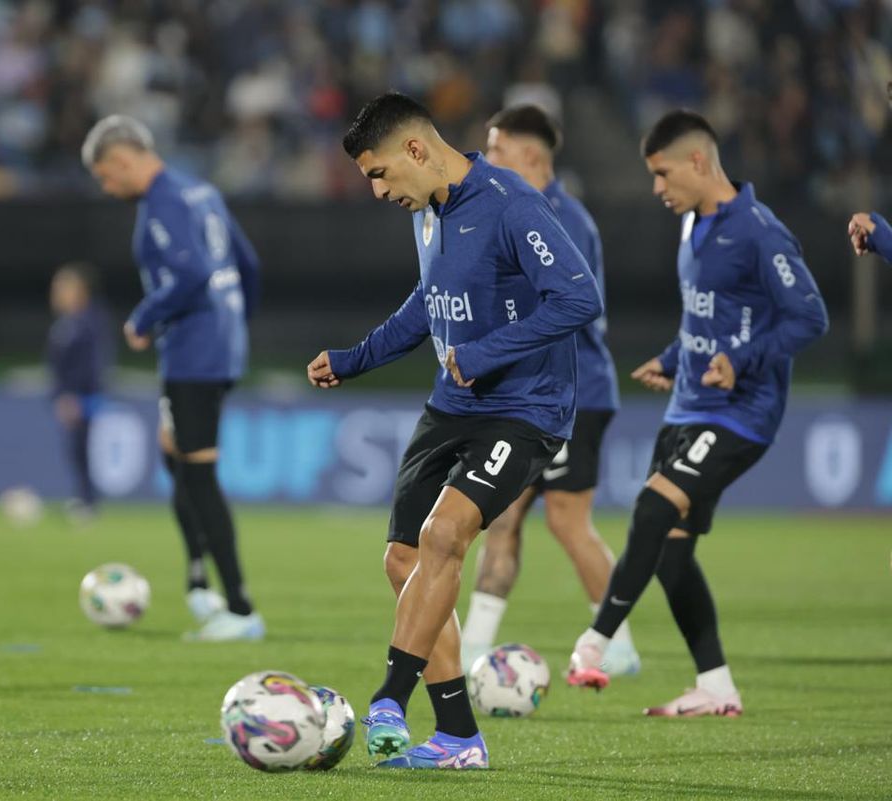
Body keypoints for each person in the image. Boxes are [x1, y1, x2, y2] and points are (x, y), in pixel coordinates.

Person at [307, 92, 603, 769]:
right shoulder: (430, 212)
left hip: (525, 407)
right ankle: (459, 737)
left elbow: (579, 296)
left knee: (447, 534)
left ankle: (389, 694)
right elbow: (427, 302)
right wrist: (354, 360)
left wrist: (487, 352)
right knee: (403, 558)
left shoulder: (511, 202)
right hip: (453, 406)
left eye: (380, 174)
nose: (379, 190)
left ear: (416, 149)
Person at [566, 110, 828, 717]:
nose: (657, 188)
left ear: (698, 162)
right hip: (688, 405)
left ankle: (596, 642)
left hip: (741, 413)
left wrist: (744, 360)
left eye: (662, 174)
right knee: (672, 554)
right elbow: (704, 317)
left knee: (654, 506)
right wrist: (670, 356)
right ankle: (716, 686)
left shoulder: (761, 232)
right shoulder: (691, 226)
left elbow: (809, 317)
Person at [459, 105, 640, 677]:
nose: (487, 158)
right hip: (524, 394)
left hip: (573, 391)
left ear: (531, 155)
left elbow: (573, 308)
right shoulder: (511, 208)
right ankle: (471, 652)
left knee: (566, 521)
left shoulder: (564, 218)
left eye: (499, 147)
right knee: (502, 517)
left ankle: (621, 645)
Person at [81, 114, 264, 641]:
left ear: (121, 159)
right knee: (175, 455)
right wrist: (235, 327)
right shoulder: (201, 191)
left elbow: (188, 274)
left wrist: (142, 318)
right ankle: (198, 583)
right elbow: (246, 265)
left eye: (106, 177)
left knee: (199, 474)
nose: (107, 187)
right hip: (217, 348)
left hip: (193, 356)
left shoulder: (163, 201)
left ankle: (240, 608)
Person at [46, 263, 114, 518]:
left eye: (61, 287)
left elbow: (92, 364)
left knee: (82, 447)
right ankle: (84, 498)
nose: (56, 293)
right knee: (75, 449)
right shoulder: (66, 323)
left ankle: (88, 501)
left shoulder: (90, 321)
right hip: (69, 396)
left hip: (84, 397)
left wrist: (73, 396)